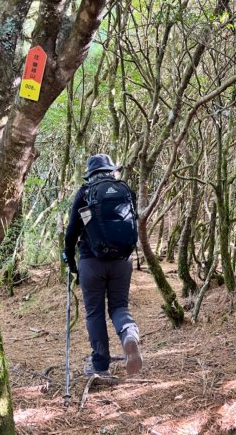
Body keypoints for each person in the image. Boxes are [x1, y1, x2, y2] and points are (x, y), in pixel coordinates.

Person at [63, 153, 142, 377]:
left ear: (90, 174)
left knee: (95, 313)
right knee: (119, 306)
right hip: (122, 261)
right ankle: (129, 335)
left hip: (92, 261)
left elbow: (71, 232)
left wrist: (70, 261)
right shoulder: (126, 191)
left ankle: (100, 364)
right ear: (111, 171)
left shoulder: (86, 193)